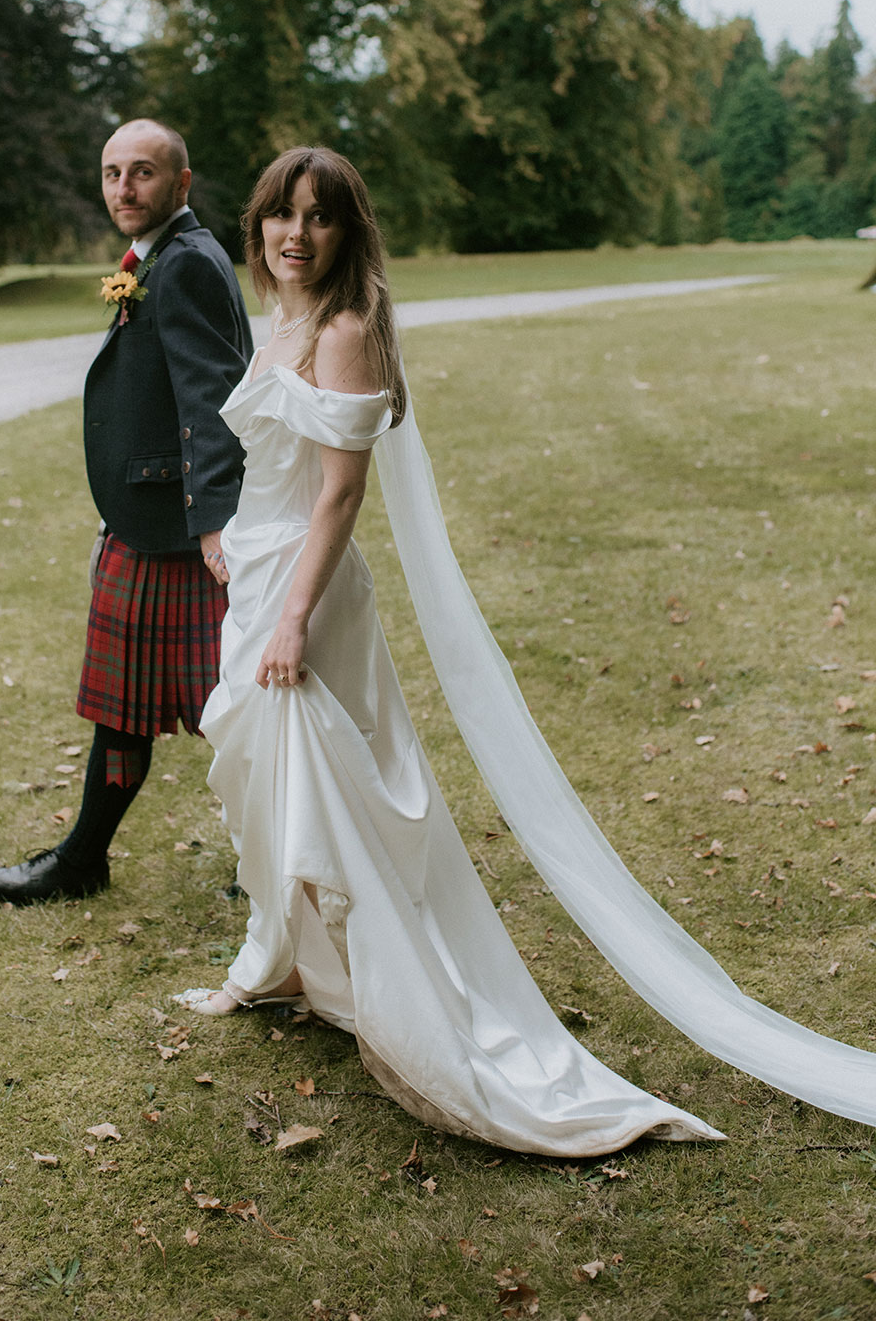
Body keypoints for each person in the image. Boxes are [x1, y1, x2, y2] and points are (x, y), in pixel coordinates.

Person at [175, 146, 876, 1157]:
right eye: (282, 215)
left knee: (336, 798)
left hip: (307, 594)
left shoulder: (342, 331)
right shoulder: (283, 318)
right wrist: (241, 563)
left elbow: (340, 494)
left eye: (318, 218)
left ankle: (421, 1017)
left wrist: (289, 616)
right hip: (259, 575)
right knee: (273, 780)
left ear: (347, 231)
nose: (296, 234)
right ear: (259, 226)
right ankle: (285, 961)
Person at [0, 119, 252, 904]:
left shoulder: (187, 263)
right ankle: (83, 859)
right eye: (111, 174)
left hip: (181, 531)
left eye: (143, 174)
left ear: (182, 183)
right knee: (124, 705)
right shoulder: (160, 256)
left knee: (232, 707)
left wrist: (213, 521)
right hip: (148, 520)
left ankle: (270, 859)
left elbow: (215, 401)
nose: (124, 189)